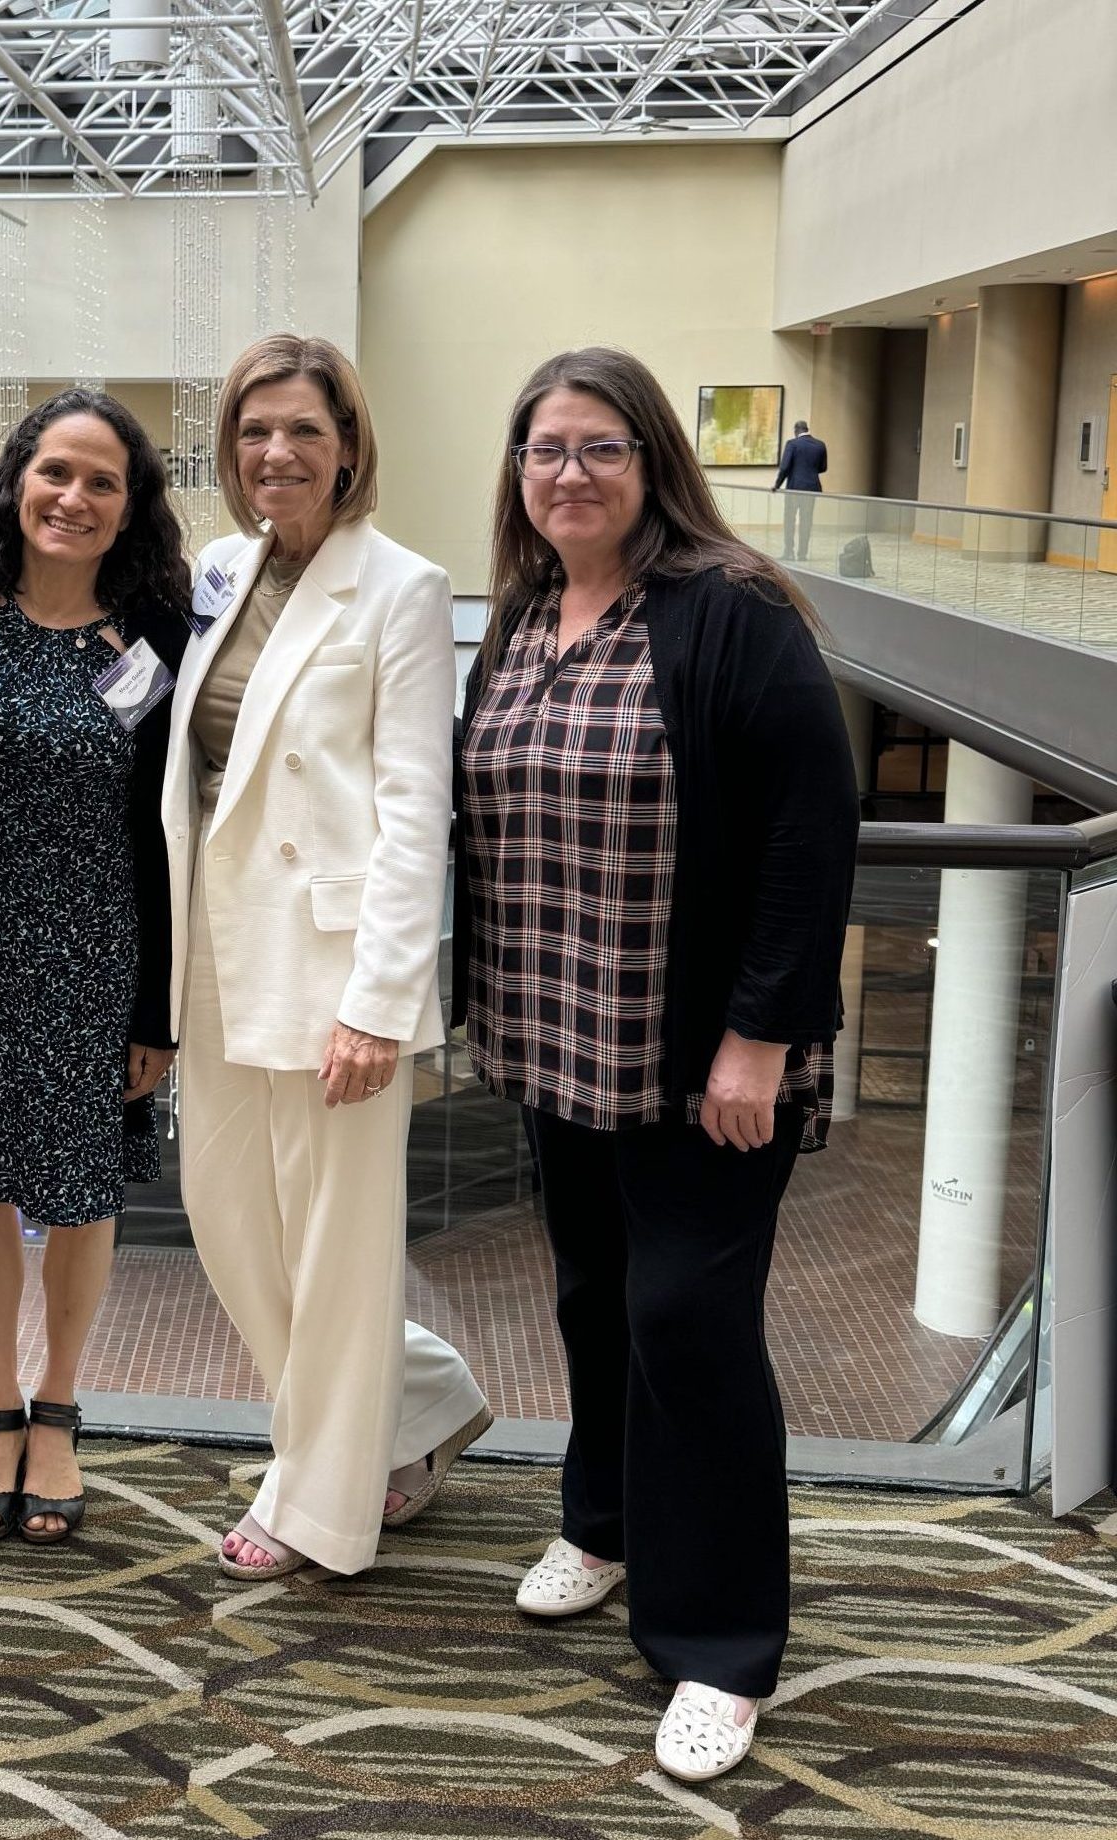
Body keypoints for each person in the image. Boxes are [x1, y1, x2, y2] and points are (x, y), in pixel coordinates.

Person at [454, 347, 857, 1781]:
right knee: (593, 1293)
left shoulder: (729, 613)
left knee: (690, 1322)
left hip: (703, 1064)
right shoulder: (521, 616)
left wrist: (760, 1037)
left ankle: (724, 1646)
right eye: (545, 448)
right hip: (561, 1037)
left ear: (654, 465)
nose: (569, 472)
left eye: (601, 448)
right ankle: (607, 1523)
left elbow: (812, 831)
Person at [164, 334, 493, 1583]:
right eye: (255, 430)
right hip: (215, 944)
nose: (277, 453)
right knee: (231, 1228)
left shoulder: (402, 586)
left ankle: (318, 1503)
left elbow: (419, 809)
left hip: (332, 960)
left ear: (348, 443)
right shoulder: (218, 568)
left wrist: (380, 1002)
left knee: (337, 1250)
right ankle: (423, 1396)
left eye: (304, 429)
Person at [0, 390, 189, 1546]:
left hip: (93, 949)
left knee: (78, 1189)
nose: (73, 497)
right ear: (20, 479)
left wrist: (155, 1002)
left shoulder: (159, 632)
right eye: (55, 471)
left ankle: (59, 1409)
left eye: (101, 482)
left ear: (129, 510)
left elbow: (167, 833)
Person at [772, 418, 827, 561]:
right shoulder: (820, 445)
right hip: (811, 488)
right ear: (807, 429)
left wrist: (777, 485)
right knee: (806, 521)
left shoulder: (792, 444)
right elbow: (823, 468)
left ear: (796, 430)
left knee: (789, 520)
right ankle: (802, 554)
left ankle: (789, 552)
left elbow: (784, 467)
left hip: (794, 489)